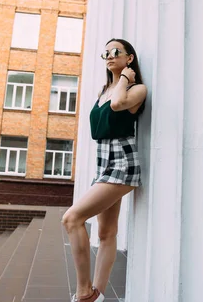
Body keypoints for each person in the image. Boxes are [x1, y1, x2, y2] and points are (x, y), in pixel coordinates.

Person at [62, 38, 147, 302]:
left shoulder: (137, 89)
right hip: (104, 163)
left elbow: (117, 105)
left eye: (116, 52)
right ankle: (96, 295)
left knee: (72, 218)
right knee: (106, 233)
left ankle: (84, 291)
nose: (109, 56)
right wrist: (116, 83)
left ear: (129, 58)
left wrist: (124, 79)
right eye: (106, 53)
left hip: (122, 162)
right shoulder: (103, 90)